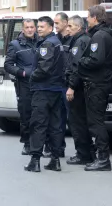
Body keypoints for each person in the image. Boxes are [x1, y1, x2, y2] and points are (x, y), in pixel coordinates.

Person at [25, 16, 65, 173]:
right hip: (56, 90)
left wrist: (31, 77)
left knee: (38, 125)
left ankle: (35, 160)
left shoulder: (47, 44)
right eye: (38, 26)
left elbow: (43, 69)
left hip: (43, 90)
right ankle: (55, 160)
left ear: (50, 28)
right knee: (55, 126)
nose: (39, 29)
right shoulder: (57, 42)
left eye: (42, 26)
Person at [78, 5, 112, 171]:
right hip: (100, 82)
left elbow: (96, 60)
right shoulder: (104, 34)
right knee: (96, 121)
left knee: (96, 122)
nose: (87, 19)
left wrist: (81, 60)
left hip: (97, 84)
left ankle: (103, 159)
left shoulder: (99, 36)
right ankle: (101, 157)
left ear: (95, 18)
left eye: (88, 16)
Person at [3, 18, 38, 155]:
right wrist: (21, 72)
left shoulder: (41, 42)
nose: (30, 30)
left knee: (40, 115)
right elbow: (8, 65)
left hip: (40, 83)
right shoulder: (15, 45)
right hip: (24, 84)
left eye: (32, 27)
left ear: (35, 28)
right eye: (27, 27)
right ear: (23, 29)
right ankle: (27, 143)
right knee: (26, 114)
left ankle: (40, 143)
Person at [64, 15, 95, 166]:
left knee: (77, 122)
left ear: (79, 27)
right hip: (83, 87)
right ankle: (88, 152)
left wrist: (71, 87)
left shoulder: (80, 41)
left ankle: (83, 154)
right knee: (81, 121)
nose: (68, 29)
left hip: (78, 88)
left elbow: (76, 67)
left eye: (70, 26)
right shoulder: (82, 39)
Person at [40, 12, 71, 158]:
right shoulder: (54, 39)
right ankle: (56, 148)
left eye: (57, 23)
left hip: (68, 84)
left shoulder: (72, 39)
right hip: (56, 85)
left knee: (71, 119)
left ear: (65, 23)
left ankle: (82, 152)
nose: (55, 25)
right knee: (56, 119)